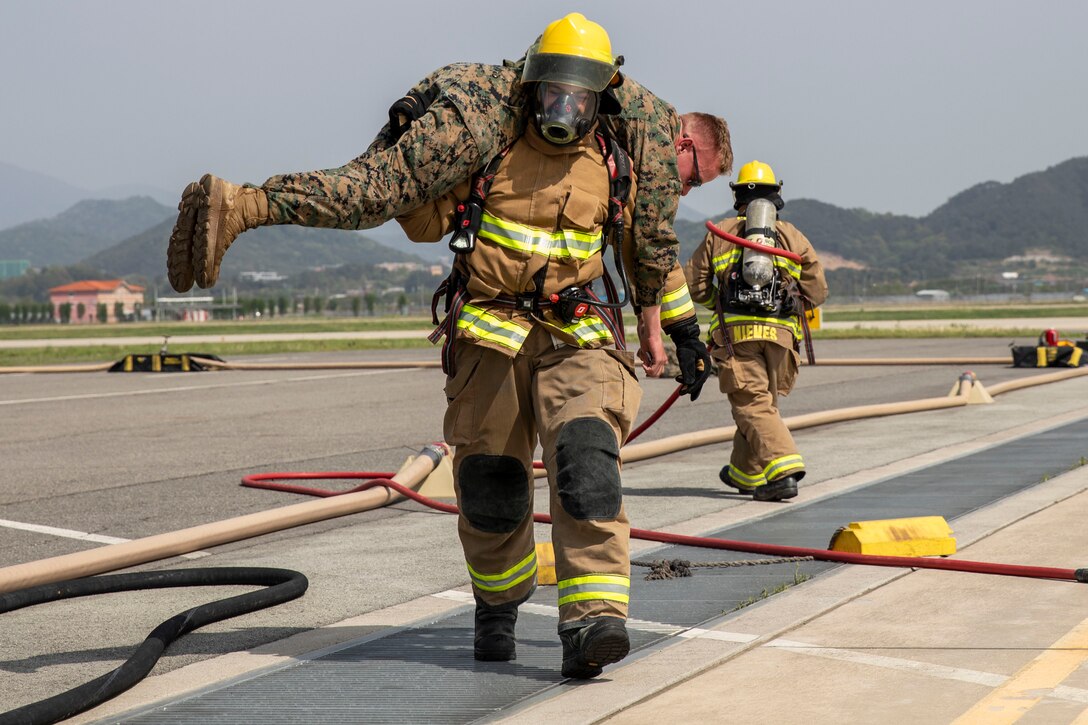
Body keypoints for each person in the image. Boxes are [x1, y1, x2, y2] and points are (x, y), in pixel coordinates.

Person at [164, 20, 732, 379]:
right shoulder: (655, 132)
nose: (685, 188)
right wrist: (656, 336)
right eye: (695, 177)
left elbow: (642, 244)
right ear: (685, 141)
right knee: (372, 194)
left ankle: (239, 206)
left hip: (464, 82)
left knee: (371, 187)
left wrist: (686, 334)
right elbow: (652, 240)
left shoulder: (622, 131)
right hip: (480, 108)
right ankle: (240, 205)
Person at [393, 13, 694, 679]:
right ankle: (498, 601)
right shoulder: (488, 151)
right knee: (490, 484)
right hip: (490, 338)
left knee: (588, 460)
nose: (564, 109)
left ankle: (591, 620)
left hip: (577, 333)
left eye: (578, 98)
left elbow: (650, 250)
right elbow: (419, 216)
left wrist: (683, 326)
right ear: (534, 88)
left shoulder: (613, 163)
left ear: (599, 97)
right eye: (553, 94)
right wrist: (402, 150)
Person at [684, 161, 828, 501]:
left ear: (738, 195)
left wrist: (718, 303)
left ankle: (783, 470)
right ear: (776, 195)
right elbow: (818, 290)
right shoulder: (793, 235)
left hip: (738, 338)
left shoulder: (720, 234)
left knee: (752, 404)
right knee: (760, 405)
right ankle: (744, 472)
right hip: (781, 339)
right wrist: (791, 305)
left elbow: (694, 285)